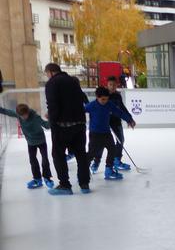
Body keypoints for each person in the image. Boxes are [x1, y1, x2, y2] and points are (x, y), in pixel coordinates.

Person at [44, 63, 91, 196]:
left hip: (62, 126)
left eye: (47, 74)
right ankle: (84, 183)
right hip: (80, 124)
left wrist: (52, 122)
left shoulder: (52, 83)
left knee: (58, 154)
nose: (47, 77)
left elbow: (53, 105)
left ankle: (65, 185)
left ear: (51, 72)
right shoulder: (73, 81)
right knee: (81, 154)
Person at [85, 87, 136, 182]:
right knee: (92, 153)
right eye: (103, 99)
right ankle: (84, 170)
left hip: (106, 133)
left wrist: (129, 119)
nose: (105, 101)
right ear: (97, 97)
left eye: (107, 99)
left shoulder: (109, 104)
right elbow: (79, 111)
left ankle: (109, 170)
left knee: (112, 149)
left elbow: (119, 112)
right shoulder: (91, 106)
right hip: (95, 134)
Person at [0, 104, 55, 189]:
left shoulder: (35, 117)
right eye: (21, 116)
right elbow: (7, 112)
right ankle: (37, 179)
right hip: (30, 142)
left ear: (28, 112)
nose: (24, 117)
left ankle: (47, 178)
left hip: (41, 141)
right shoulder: (18, 115)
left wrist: (50, 118)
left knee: (45, 159)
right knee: (33, 160)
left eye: (25, 115)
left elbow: (47, 126)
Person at [92, 76, 132, 173]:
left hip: (116, 122)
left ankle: (116, 160)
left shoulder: (118, 96)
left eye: (114, 85)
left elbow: (121, 108)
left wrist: (129, 118)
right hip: (104, 123)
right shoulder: (103, 95)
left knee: (120, 140)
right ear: (107, 85)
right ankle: (96, 162)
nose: (112, 87)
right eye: (110, 84)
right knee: (101, 143)